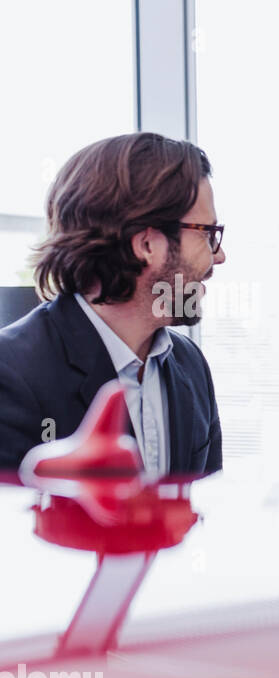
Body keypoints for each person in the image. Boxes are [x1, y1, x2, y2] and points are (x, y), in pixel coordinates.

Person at [0, 132, 225, 480]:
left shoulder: (191, 366)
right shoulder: (10, 373)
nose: (219, 255)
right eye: (208, 233)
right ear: (147, 243)